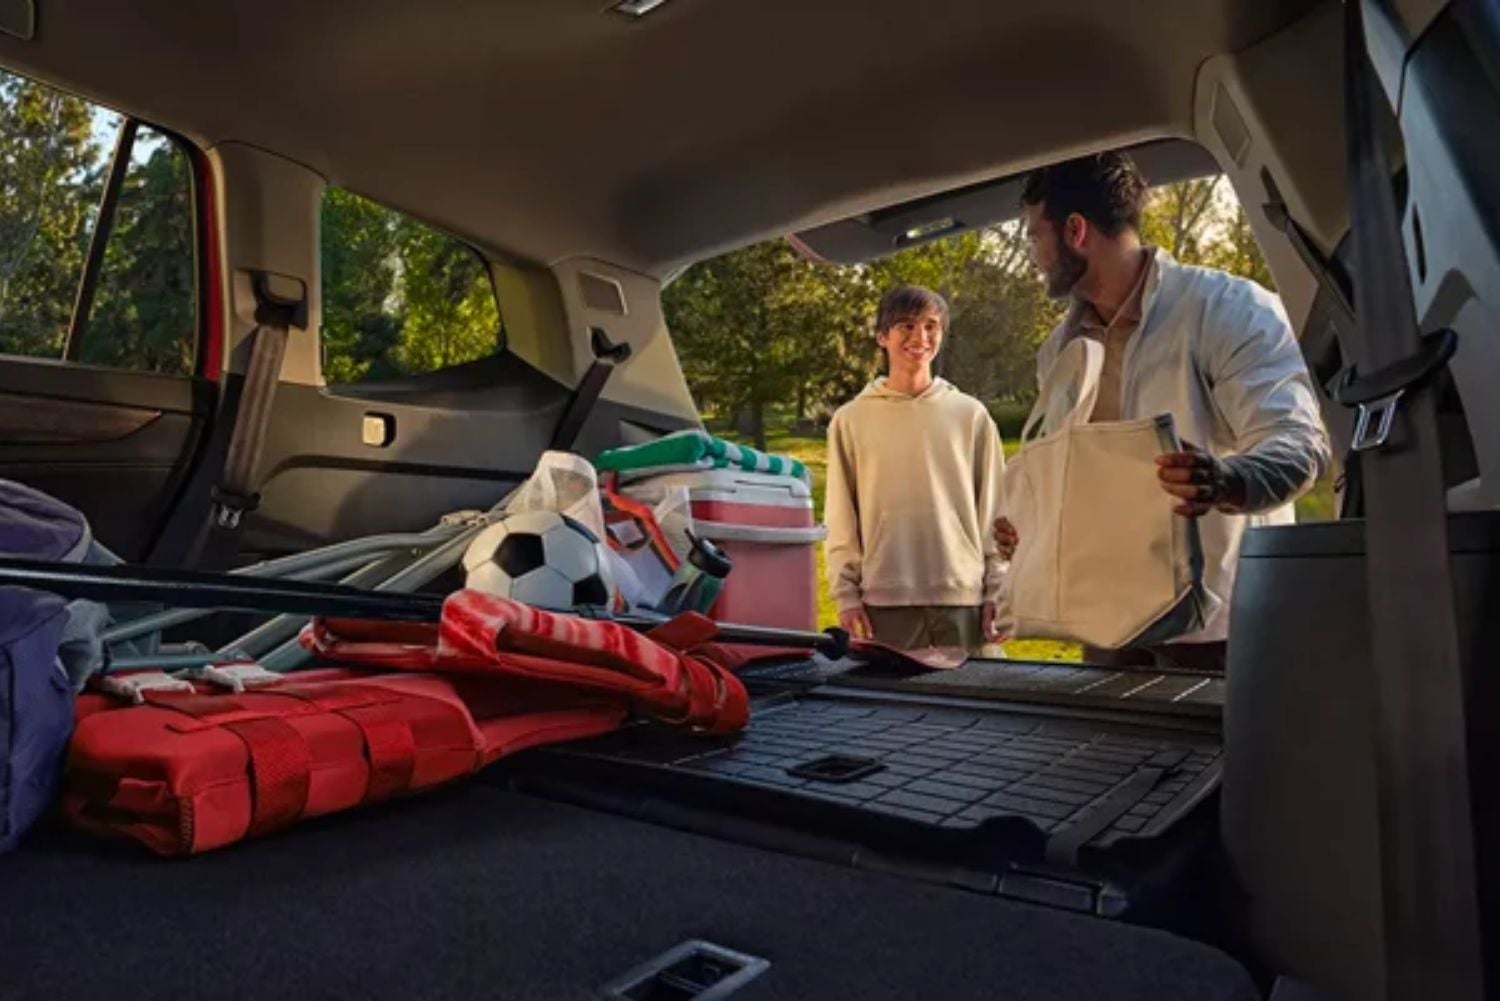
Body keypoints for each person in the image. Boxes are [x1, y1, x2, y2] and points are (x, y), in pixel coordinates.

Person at [995, 152, 1330, 672]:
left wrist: (1225, 480)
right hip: (1104, 625)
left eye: (1035, 235)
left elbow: (1298, 442)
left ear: (1075, 230)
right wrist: (1030, 525)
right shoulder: (1057, 353)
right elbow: (1073, 480)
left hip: (1218, 629)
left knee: (1215, 757)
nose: (1034, 253)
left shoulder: (1230, 309)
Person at [824, 284, 1006, 651]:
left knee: (973, 706)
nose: (919, 337)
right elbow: (841, 516)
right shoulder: (851, 420)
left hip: (962, 599)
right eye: (906, 325)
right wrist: (847, 594)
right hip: (884, 601)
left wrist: (999, 591)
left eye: (931, 326)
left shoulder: (971, 416)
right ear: (882, 336)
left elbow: (996, 511)